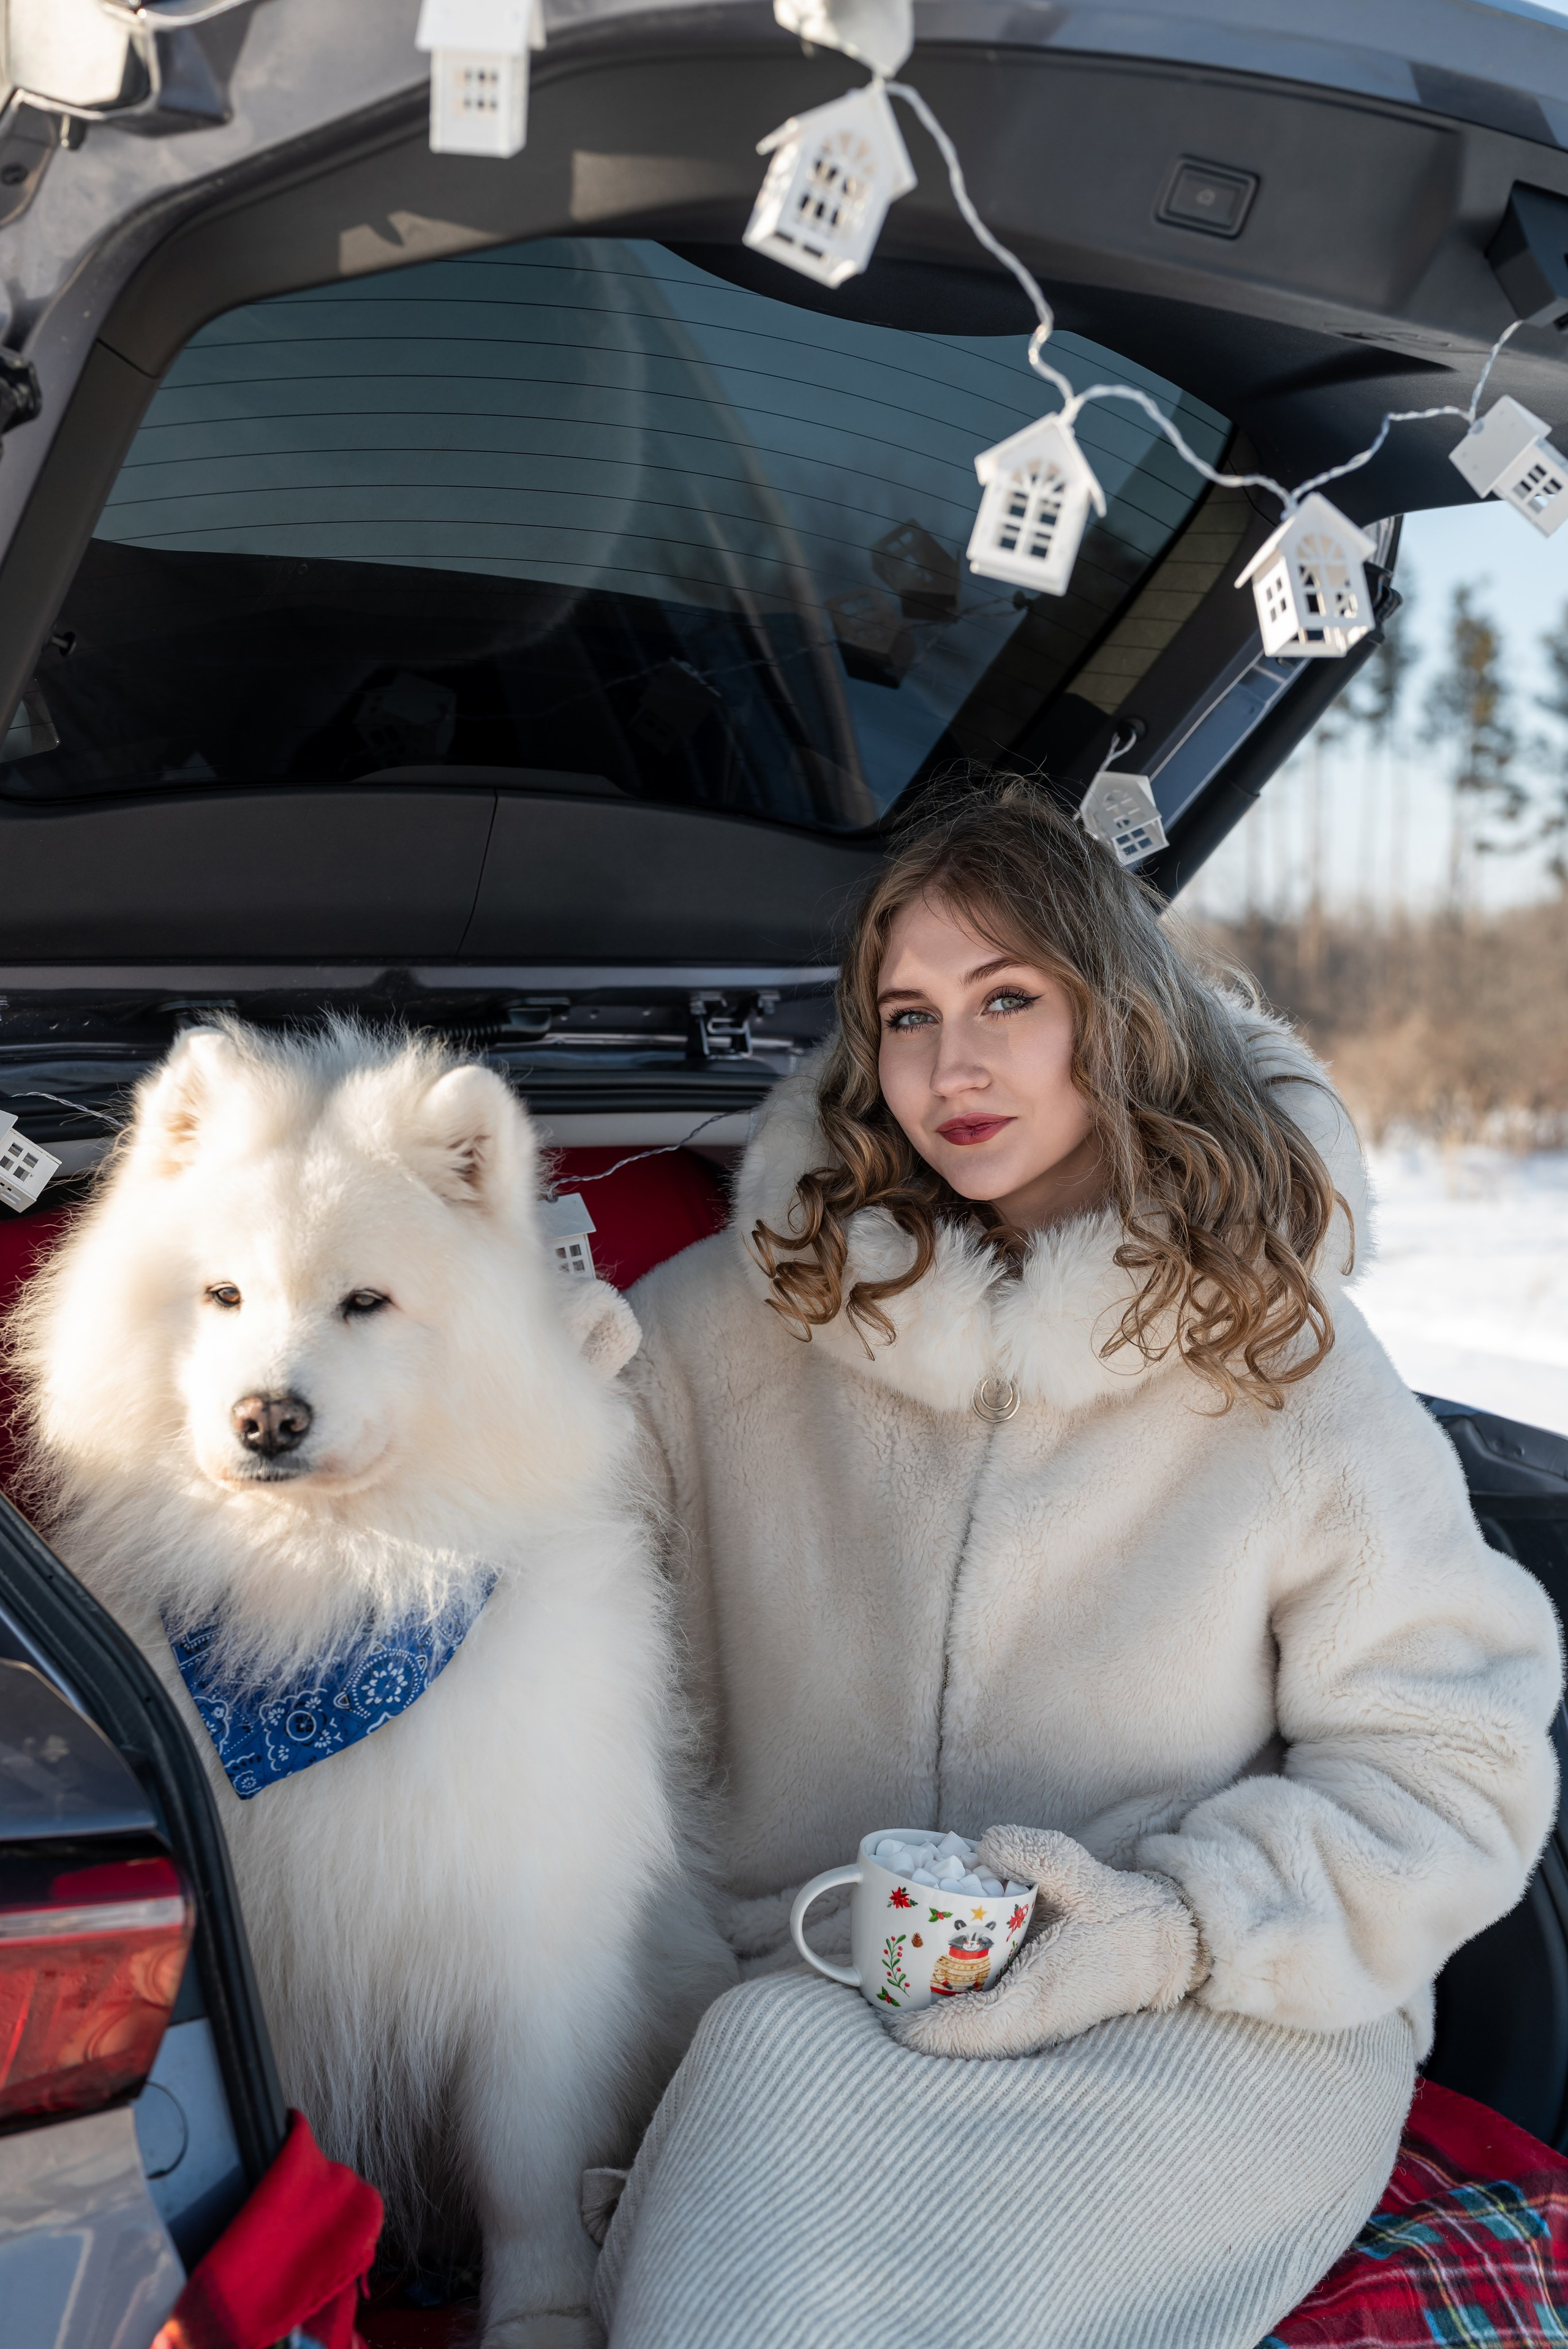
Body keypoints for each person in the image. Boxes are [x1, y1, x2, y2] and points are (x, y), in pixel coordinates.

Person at [589, 779, 1561, 2349]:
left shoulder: (1285, 1360)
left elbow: (1450, 1760)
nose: (947, 1066)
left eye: (1005, 1000)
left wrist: (1165, 1923)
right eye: (903, 1015)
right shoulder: (724, 1328)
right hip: (825, 1985)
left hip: (1210, 2009)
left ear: (1114, 1016)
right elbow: (537, 1594)